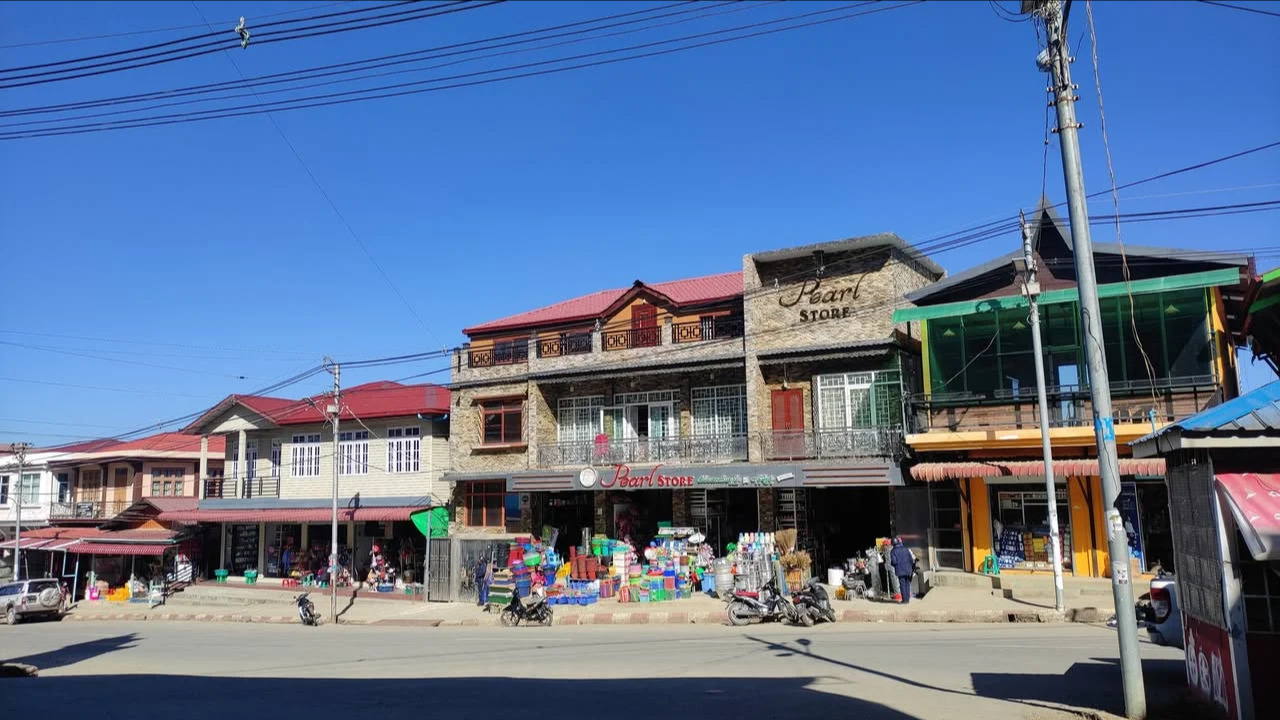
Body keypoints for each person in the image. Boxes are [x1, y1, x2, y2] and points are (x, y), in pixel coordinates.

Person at [889, 537, 915, 604]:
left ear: (892, 544)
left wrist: (893, 565)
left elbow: (894, 562)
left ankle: (904, 600)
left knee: (902, 585)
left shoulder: (893, 551)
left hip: (900, 570)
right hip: (908, 569)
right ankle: (907, 599)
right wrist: (910, 567)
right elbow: (911, 559)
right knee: (907, 584)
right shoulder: (906, 549)